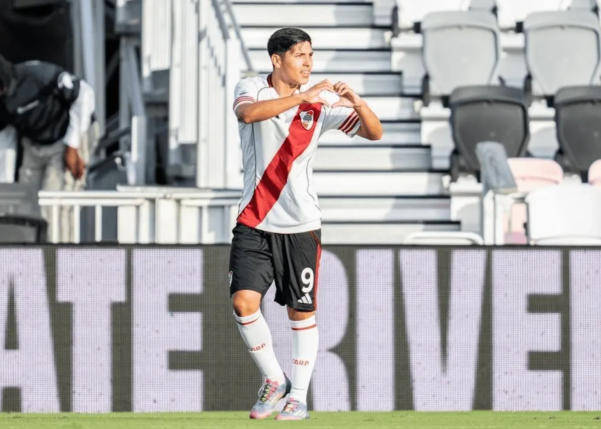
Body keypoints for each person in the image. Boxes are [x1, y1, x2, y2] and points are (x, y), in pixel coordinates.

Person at [229, 27, 382, 420]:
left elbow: (374, 132)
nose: (308, 63)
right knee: (243, 302)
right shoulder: (253, 88)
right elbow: (248, 114)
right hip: (255, 219)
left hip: (300, 224)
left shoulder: (321, 104)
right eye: (300, 55)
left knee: (300, 313)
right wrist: (303, 97)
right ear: (276, 59)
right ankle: (274, 379)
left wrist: (357, 102)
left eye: (311, 55)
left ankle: (298, 396)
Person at [0, 54, 94, 195]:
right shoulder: (2, 105)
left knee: (54, 200)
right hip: (33, 145)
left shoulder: (37, 74)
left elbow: (83, 93)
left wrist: (72, 146)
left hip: (66, 136)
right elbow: (5, 137)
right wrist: (4, 187)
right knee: (26, 200)